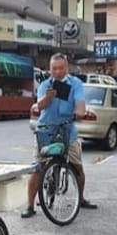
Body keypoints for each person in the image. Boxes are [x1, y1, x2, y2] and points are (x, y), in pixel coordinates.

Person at [21, 52, 97, 218]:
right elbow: (39, 106)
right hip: (46, 129)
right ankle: (29, 205)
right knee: (37, 168)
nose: (57, 72)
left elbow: (80, 104)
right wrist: (48, 97)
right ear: (50, 69)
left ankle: (81, 198)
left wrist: (79, 112)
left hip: (67, 130)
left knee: (77, 167)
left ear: (66, 67)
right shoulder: (45, 84)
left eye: (61, 68)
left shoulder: (75, 84)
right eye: (54, 69)